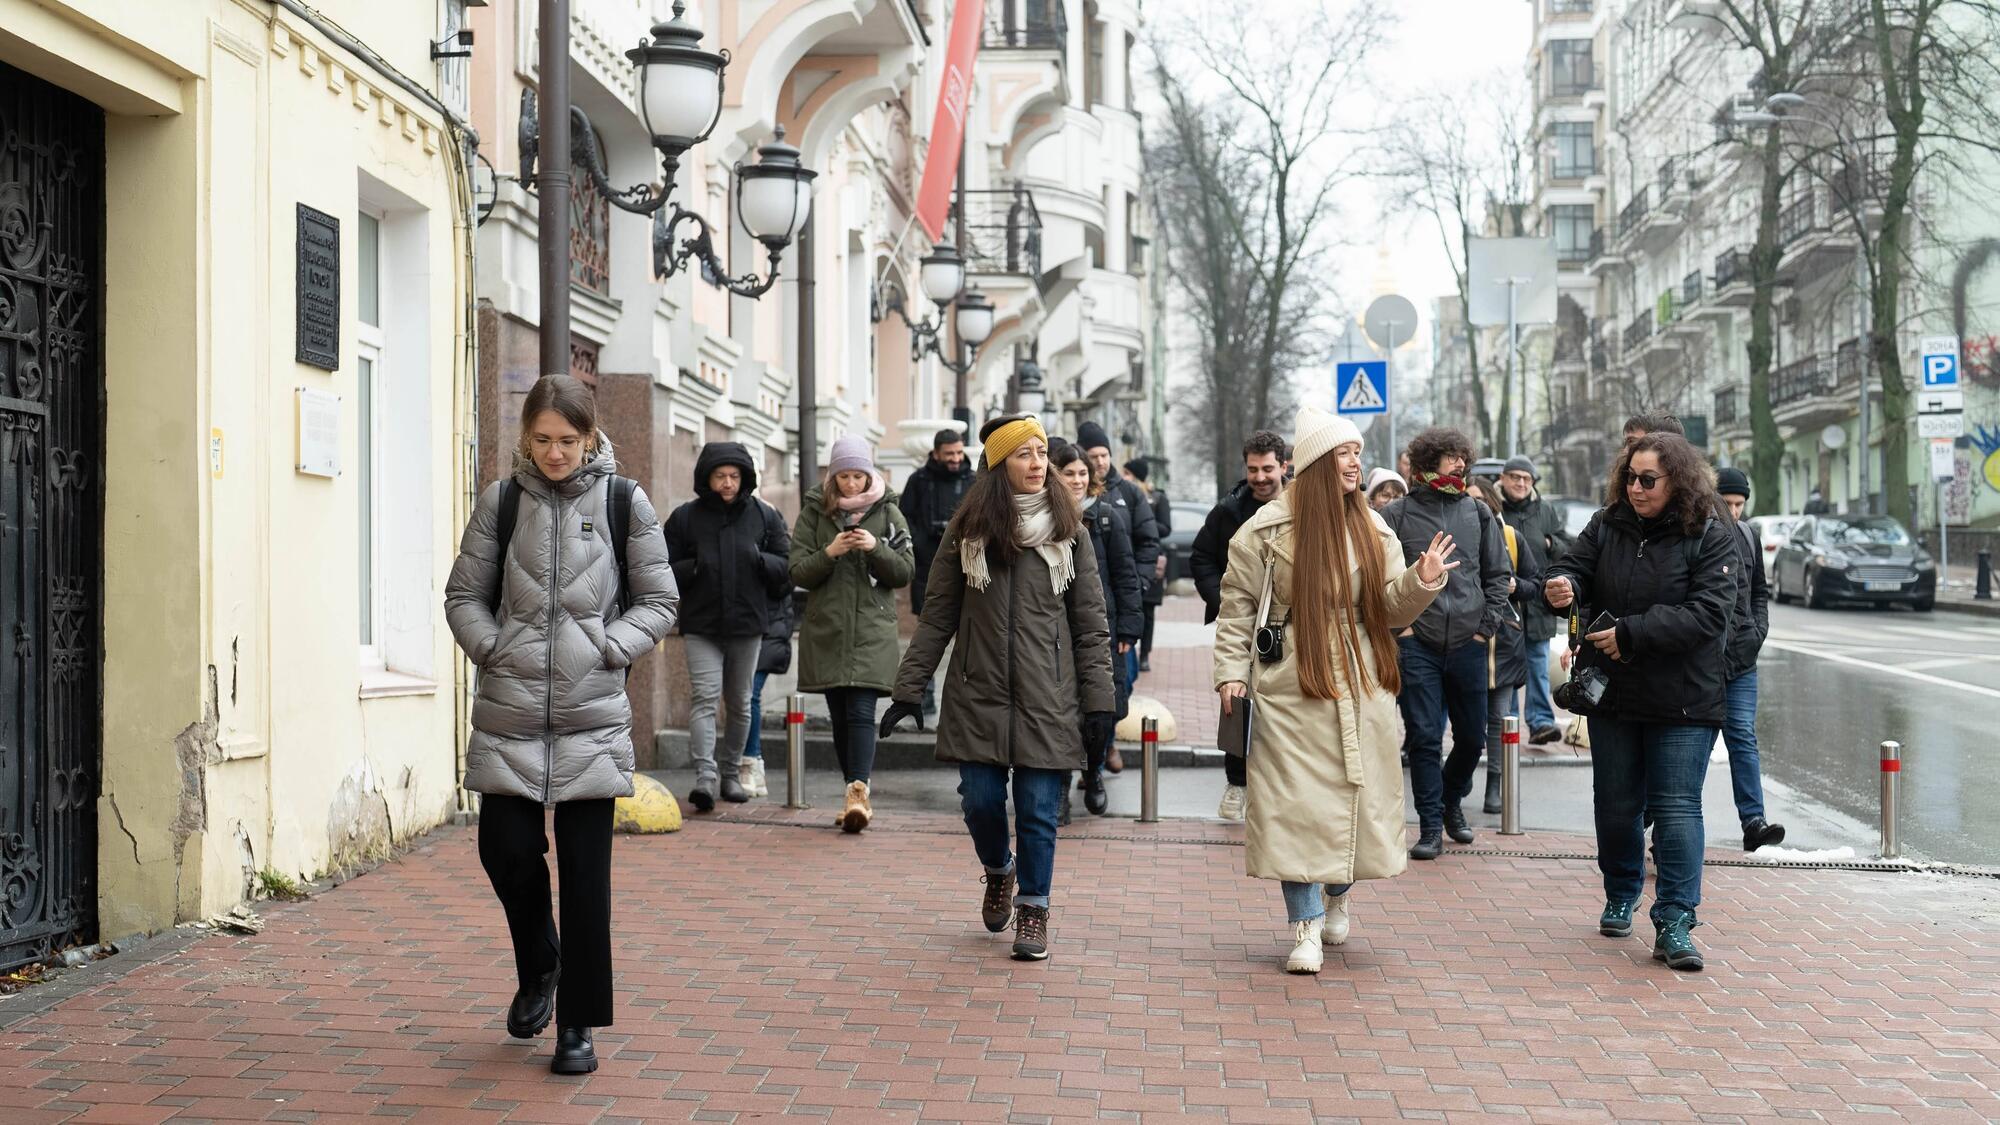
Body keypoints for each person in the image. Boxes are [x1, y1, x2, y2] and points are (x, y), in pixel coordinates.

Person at [444, 374, 679, 1074]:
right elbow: (464, 594)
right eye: (542, 439)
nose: (555, 453)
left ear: (590, 435)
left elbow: (660, 600)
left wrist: (610, 647)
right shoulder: (503, 500)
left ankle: (577, 1024)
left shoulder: (622, 500)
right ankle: (540, 963)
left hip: (592, 714)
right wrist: (493, 646)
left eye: (568, 440)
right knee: (504, 849)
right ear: (525, 435)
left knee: (585, 878)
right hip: (510, 710)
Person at [1213, 406, 1457, 974]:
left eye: (1357, 453)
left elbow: (1390, 607)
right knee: (1293, 804)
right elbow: (1238, 607)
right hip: (1289, 680)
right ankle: (1304, 927)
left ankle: (1338, 895)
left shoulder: (1373, 527)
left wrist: (1421, 581)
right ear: (1320, 462)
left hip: (1360, 674)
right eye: (1345, 453)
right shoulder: (1265, 529)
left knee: (1355, 798)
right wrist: (1231, 671)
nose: (1355, 463)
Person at [882, 415, 1115, 962]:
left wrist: (1101, 701)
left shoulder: (1070, 533)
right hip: (978, 693)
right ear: (998, 465)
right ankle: (999, 869)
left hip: (1048, 696)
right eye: (1024, 455)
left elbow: (1090, 626)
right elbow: (937, 618)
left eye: (1041, 453)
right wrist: (908, 688)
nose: (1038, 464)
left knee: (1037, 810)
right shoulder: (966, 535)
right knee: (981, 803)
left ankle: (1034, 910)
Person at [1544, 433, 1738, 972]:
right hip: (1615, 694)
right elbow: (1571, 568)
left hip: (1683, 699)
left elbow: (1708, 614)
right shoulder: (1608, 524)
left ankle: (1676, 919)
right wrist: (1560, 584)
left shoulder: (1709, 533)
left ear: (1677, 480)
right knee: (1616, 804)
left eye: (1648, 479)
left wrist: (1631, 633)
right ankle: (1621, 890)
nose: (1635, 487)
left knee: (1677, 808)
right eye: (1630, 477)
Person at [1380, 427, 1511, 860]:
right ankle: (1431, 826)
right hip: (1416, 642)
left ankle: (1451, 801)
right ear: (1426, 463)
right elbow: (1382, 578)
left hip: (1469, 644)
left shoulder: (1477, 512)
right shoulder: (1396, 514)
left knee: (1473, 737)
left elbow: (1497, 576)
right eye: (1449, 457)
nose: (1459, 464)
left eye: (1462, 457)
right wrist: (1403, 630)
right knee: (1423, 736)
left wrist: (1484, 627)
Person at [789, 435, 916, 833]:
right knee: (839, 715)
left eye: (859, 475)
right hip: (827, 627)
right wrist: (830, 553)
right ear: (833, 475)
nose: (851, 484)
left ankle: (859, 791)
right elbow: (796, 571)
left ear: (869, 474)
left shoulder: (890, 512)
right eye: (844, 476)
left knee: (861, 710)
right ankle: (852, 794)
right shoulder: (814, 511)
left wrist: (875, 548)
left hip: (871, 628)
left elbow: (905, 570)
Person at [663, 442, 793, 812]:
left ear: (745, 478)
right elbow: (662, 568)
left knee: (739, 703)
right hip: (702, 624)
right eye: (720, 476)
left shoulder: (764, 517)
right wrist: (695, 567)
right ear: (706, 477)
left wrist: (758, 559)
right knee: (704, 699)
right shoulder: (685, 518)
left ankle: (731, 774)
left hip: (747, 625)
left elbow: (786, 568)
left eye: (734, 476)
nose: (727, 483)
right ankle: (705, 778)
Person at [1192, 431, 1290, 819]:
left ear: (1284, 466)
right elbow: (1201, 557)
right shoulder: (1228, 511)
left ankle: (1279, 788)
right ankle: (1237, 783)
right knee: (1235, 698)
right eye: (1253, 469)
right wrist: (1222, 601)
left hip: (1287, 625)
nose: (1261, 477)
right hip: (1243, 625)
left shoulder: (1300, 507)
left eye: (1268, 468)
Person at [1056, 443, 1143, 820]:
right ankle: (1056, 788)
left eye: (1082, 474)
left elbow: (1126, 576)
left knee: (1103, 711)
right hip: (1055, 632)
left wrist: (1128, 627)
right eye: (1069, 473)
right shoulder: (1044, 518)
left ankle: (1092, 772)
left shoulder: (1107, 518)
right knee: (1058, 712)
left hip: (1102, 630)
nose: (1076, 480)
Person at [1716, 467, 1786, 852]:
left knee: (1742, 735)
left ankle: (1754, 822)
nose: (1734, 511)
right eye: (1727, 503)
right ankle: (1666, 827)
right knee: (1690, 745)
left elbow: (1759, 591)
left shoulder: (1748, 535)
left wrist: (1758, 632)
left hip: (1742, 659)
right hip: (1703, 662)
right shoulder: (1698, 533)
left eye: (1739, 504)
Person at [1467, 477, 1541, 815]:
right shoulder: (1455, 535)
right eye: (1468, 500)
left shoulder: (1511, 537)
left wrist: (1513, 585)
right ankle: (1463, 769)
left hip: (1504, 642)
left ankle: (1494, 784)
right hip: (1464, 640)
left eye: (1480, 500)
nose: (1473, 507)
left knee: (1499, 716)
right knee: (1468, 718)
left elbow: (1535, 585)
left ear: (1492, 504)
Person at [1076, 422, 1158, 697]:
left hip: (1124, 597)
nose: (1100, 461)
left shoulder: (1130, 492)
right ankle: (1105, 738)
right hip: (1094, 599)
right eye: (1093, 456)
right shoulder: (1076, 493)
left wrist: (1140, 582)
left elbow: (1149, 541)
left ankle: (1109, 736)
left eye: (1104, 455)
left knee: (1124, 676)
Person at [900, 428, 976, 714]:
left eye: (959, 452)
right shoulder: (918, 480)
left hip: (968, 567)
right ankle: (923, 697)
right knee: (928, 634)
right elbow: (905, 517)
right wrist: (921, 542)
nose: (956, 459)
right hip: (927, 567)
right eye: (949, 454)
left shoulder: (973, 480)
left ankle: (964, 701)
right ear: (935, 454)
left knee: (969, 637)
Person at [1497, 456, 1570, 745]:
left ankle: (1541, 722)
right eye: (1515, 477)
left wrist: (1552, 544)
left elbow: (1568, 547)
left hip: (1539, 603)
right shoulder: (1495, 509)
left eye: (1526, 479)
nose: (1521, 483)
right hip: (1506, 603)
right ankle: (1509, 723)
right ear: (1503, 479)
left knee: (1538, 666)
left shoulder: (1545, 511)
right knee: (1508, 667)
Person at [737, 588, 794, 799]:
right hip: (737, 624)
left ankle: (750, 762)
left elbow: (784, 576)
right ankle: (751, 764)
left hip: (769, 628)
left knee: (750, 692)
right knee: (741, 695)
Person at [1123, 458, 1171, 673]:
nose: (1124, 477)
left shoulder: (1158, 497)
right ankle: (1130, 652)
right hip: (1126, 557)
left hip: (1149, 558)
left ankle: (1144, 655)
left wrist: (1145, 522)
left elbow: (1166, 527)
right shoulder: (1122, 495)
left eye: (1128, 473)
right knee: (1129, 607)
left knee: (1148, 611)